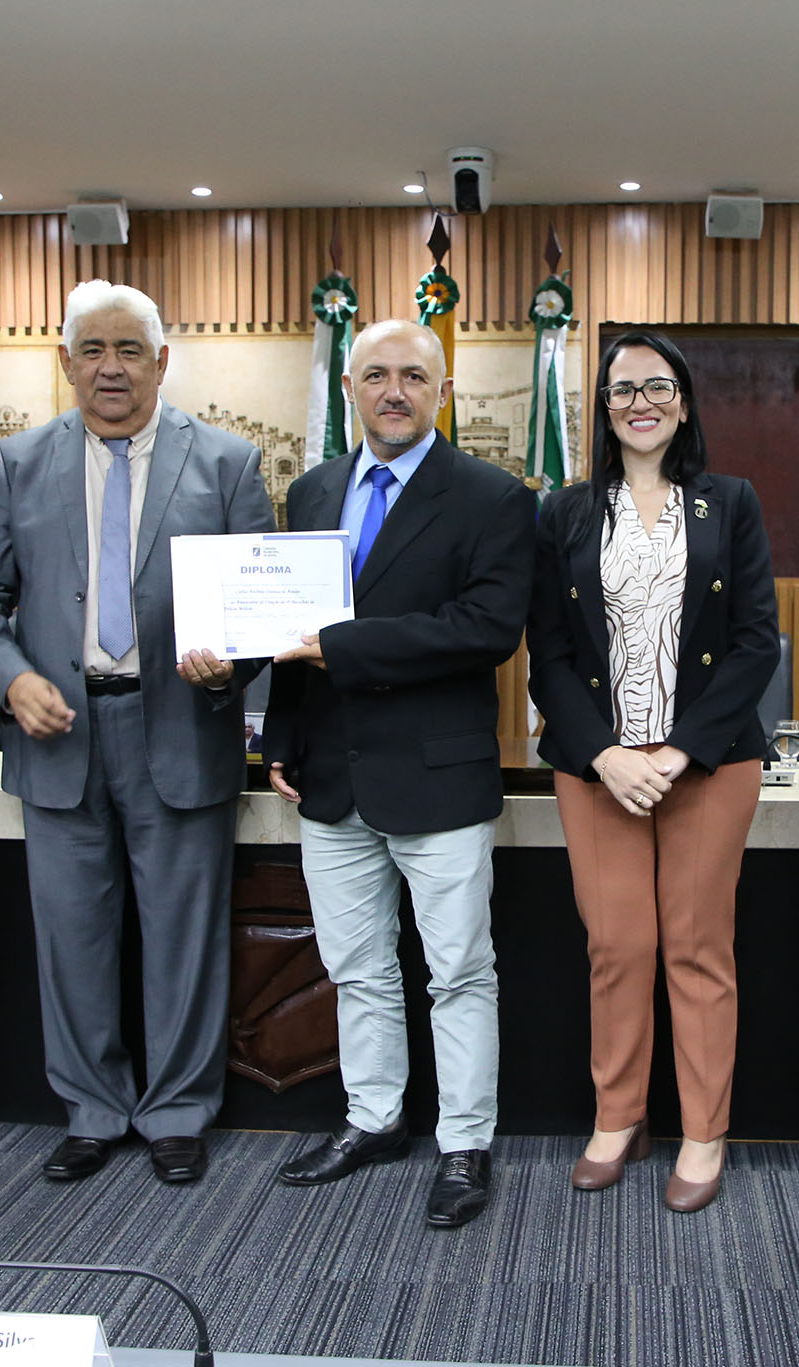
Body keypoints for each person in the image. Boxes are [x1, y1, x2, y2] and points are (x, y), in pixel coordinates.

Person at [0, 280, 274, 1186]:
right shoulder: (16, 463)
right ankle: (91, 1109)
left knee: (184, 939)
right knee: (72, 939)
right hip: (57, 735)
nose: (111, 367)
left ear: (162, 361)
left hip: (183, 728)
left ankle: (176, 1113)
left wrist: (232, 663)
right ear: (65, 363)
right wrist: (11, 679)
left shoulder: (227, 462)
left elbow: (260, 605)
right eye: (92, 349)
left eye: (129, 350)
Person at [265, 319, 536, 1229]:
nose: (394, 391)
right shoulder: (311, 490)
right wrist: (280, 736)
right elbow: (289, 628)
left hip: (437, 776)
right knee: (357, 967)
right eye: (376, 375)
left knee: (458, 970)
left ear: (443, 392)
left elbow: (485, 629)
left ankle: (464, 1143)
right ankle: (373, 1118)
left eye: (413, 376)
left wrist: (341, 647)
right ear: (349, 389)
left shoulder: (493, 496)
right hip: (330, 776)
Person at [527, 331, 780, 1212]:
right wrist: (605, 753)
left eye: (658, 386)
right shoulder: (564, 513)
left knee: (697, 948)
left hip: (706, 765)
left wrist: (677, 751)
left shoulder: (730, 502)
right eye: (623, 388)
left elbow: (757, 642)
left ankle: (704, 1131)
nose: (641, 402)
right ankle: (618, 1116)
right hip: (596, 767)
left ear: (683, 401)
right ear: (603, 407)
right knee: (618, 946)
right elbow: (549, 655)